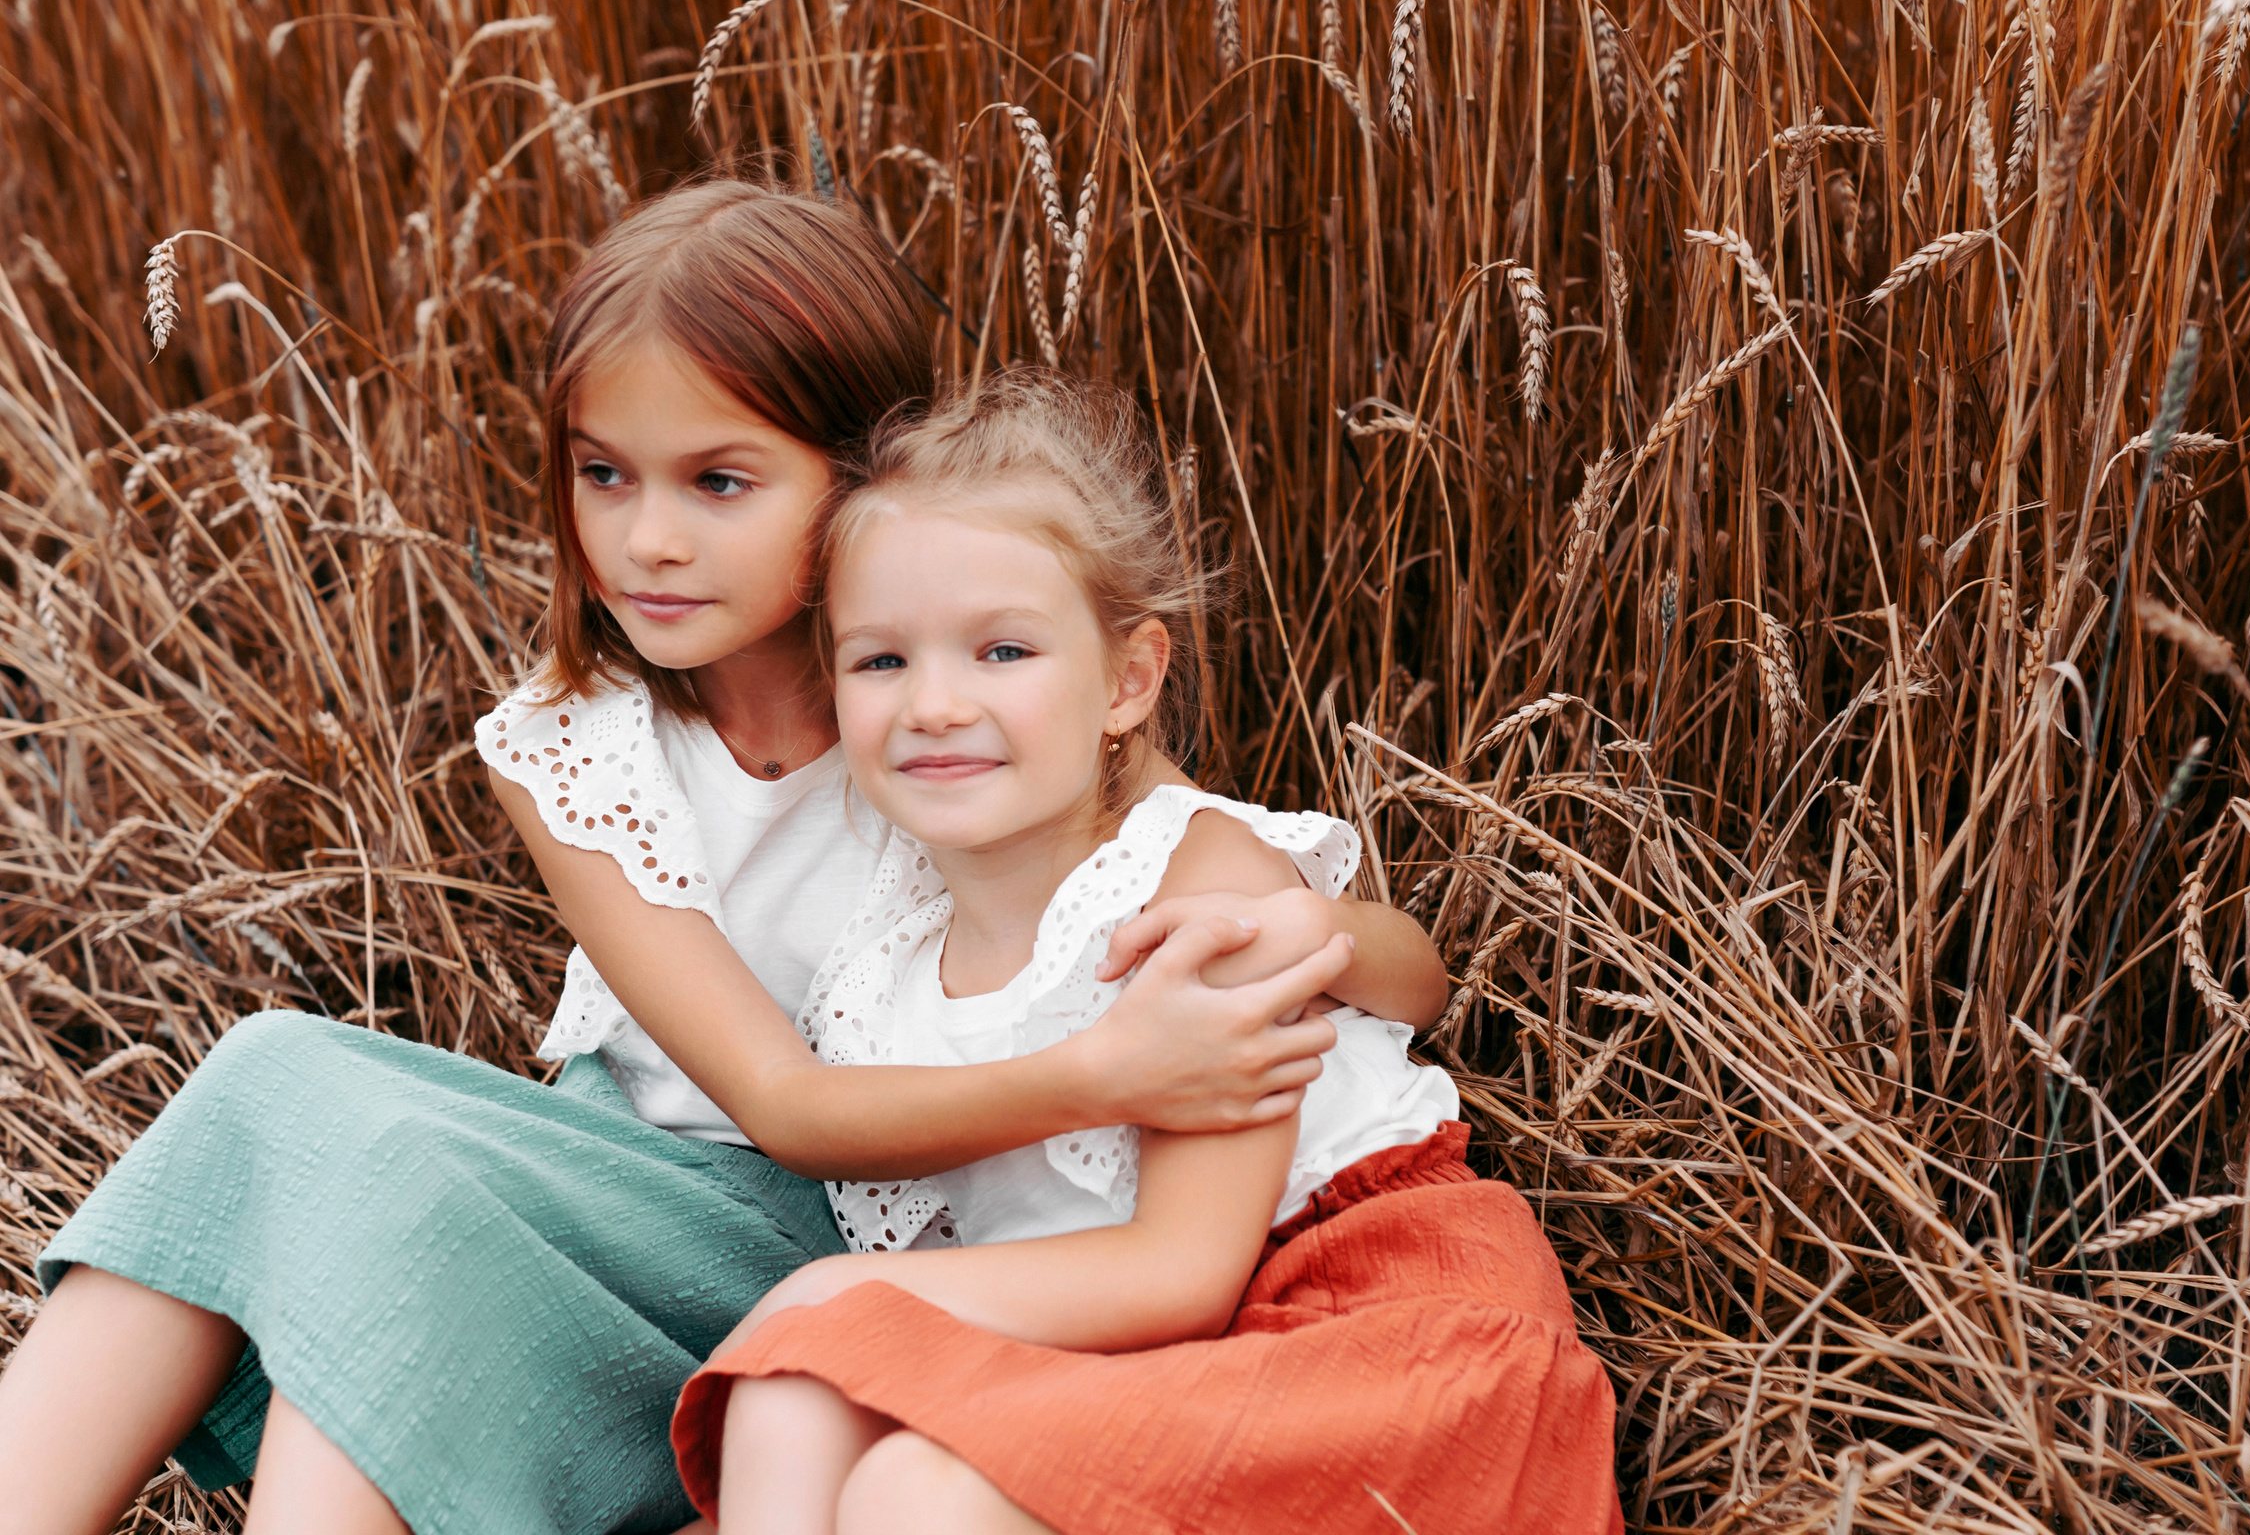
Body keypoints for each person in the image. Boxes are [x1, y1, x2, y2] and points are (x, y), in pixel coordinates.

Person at [0, 183, 1448, 1535]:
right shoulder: (574, 746)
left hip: (811, 1226)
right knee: (292, 1097)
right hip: (620, 1178)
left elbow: (1225, 885)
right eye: (603, 476)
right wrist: (1108, 1073)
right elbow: (777, 1094)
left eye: (719, 482)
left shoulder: (933, 717)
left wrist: (1296, 953)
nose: (648, 540)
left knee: (381, 1173)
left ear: (862, 475)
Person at [670, 368, 1622, 1535]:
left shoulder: (1187, 893)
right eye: (882, 660)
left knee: (903, 1474)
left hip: (1367, 1326)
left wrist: (834, 1292)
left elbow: (1185, 1268)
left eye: (1003, 651)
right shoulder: (885, 960)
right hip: (1141, 1345)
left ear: (1126, 681)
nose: (933, 702)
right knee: (791, 1393)